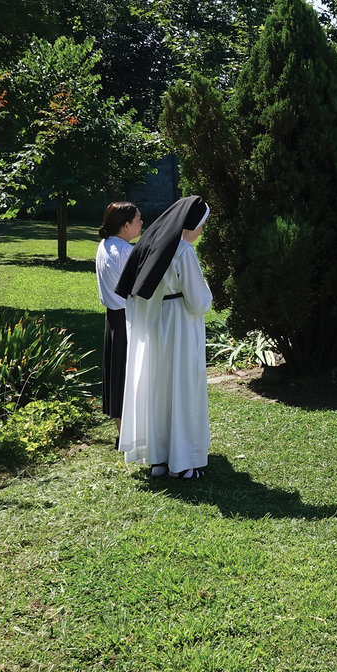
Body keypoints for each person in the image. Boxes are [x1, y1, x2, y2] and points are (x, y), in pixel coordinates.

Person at [114, 196, 212, 479]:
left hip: (156, 323)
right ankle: (183, 463)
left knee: (159, 388)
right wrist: (206, 287)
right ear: (191, 224)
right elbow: (198, 302)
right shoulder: (183, 252)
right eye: (202, 224)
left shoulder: (148, 248)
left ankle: (158, 458)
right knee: (182, 388)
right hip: (180, 325)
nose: (202, 230)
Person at [95, 201, 143, 440]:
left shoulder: (105, 245)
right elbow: (138, 288)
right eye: (138, 220)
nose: (142, 223)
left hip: (114, 318)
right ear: (126, 225)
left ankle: (123, 433)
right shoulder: (123, 251)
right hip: (126, 319)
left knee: (118, 374)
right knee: (126, 375)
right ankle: (128, 435)